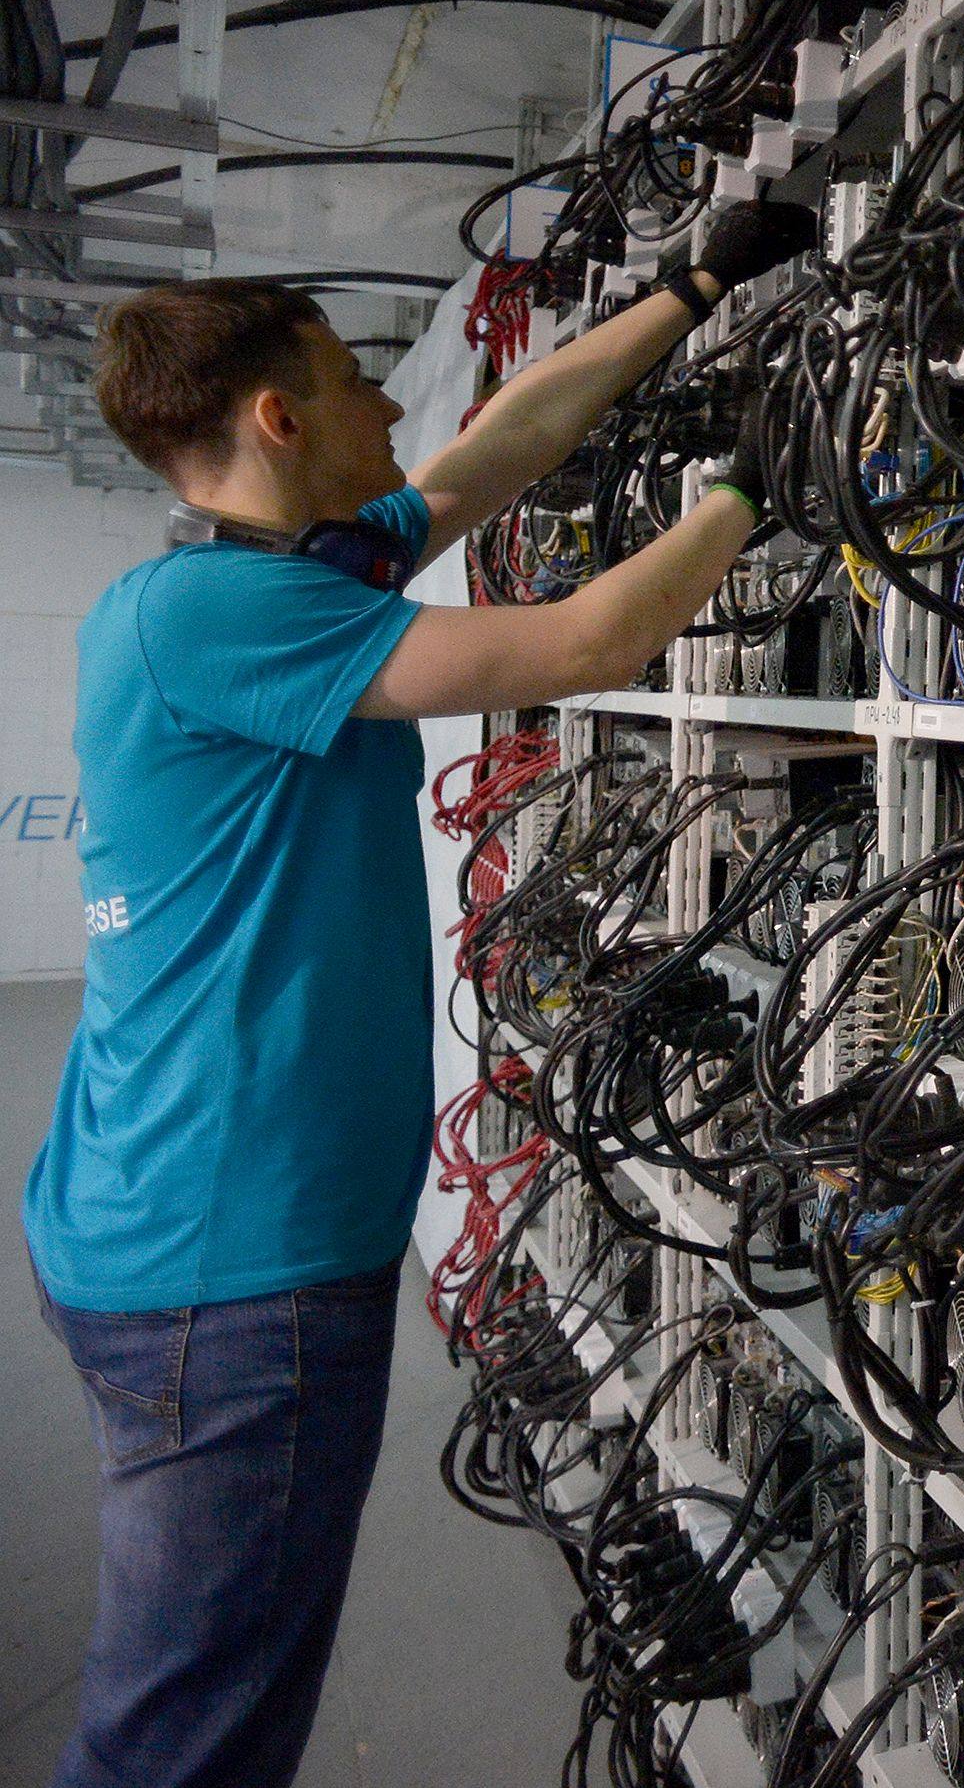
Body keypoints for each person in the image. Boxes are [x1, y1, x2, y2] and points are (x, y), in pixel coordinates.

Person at [20, 199, 813, 1788]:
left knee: (204, 1706)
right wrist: (763, 482)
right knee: (186, 1739)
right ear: (276, 415)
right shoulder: (230, 615)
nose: (392, 408)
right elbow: (595, 639)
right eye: (355, 380)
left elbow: (495, 450)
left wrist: (692, 290)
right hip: (227, 1272)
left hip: (164, 1227)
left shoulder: (249, 576)